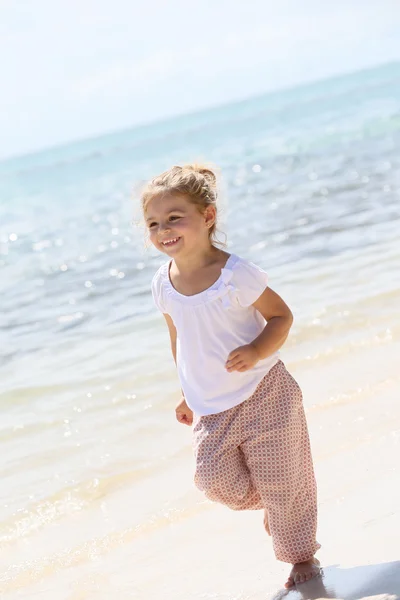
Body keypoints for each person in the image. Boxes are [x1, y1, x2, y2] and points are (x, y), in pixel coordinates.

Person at [142, 163, 321, 588]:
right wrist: (187, 392)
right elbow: (179, 339)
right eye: (153, 223)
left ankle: (300, 555)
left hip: (265, 392)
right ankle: (283, 509)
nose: (163, 229)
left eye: (174, 218)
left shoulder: (234, 274)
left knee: (282, 481)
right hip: (212, 406)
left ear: (207, 217)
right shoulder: (162, 284)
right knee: (214, 481)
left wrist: (257, 349)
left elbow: (281, 316)